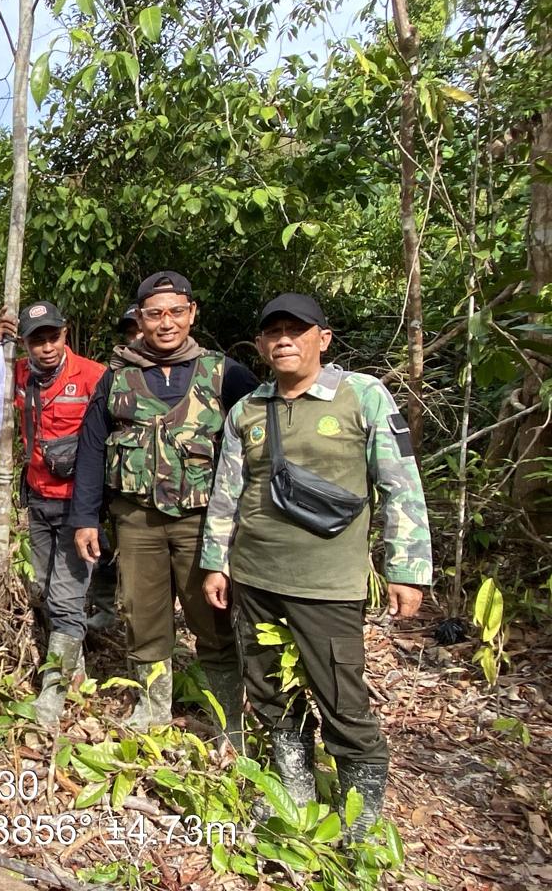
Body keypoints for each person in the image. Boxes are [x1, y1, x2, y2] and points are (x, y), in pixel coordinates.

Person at [200, 293, 432, 840]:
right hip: (254, 577)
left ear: (322, 339)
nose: (284, 340)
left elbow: (400, 485)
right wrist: (216, 563)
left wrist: (407, 568)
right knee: (269, 692)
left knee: (341, 697)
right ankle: (295, 793)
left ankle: (360, 816)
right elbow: (226, 495)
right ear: (260, 344)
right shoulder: (248, 410)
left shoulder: (362, 396)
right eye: (273, 331)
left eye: (296, 330)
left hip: (327, 584)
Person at [72, 271, 258, 740]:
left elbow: (259, 442)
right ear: (141, 318)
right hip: (135, 521)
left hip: (204, 523)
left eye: (176, 311)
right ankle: (153, 709)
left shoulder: (225, 373)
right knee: (143, 615)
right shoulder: (117, 378)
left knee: (213, 616)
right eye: (155, 314)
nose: (166, 322)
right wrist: (84, 518)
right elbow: (93, 447)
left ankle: (227, 717)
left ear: (192, 313)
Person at [0, 302, 106, 727]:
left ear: (66, 334)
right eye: (35, 339)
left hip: (80, 508)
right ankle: (75, 667)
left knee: (67, 595)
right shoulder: (18, 373)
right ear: (25, 342)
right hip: (38, 499)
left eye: (53, 337)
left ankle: (53, 693)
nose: (46, 347)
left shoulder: (94, 377)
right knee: (42, 587)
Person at [85, 303, 140, 632]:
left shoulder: (185, 373)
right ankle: (106, 610)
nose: (136, 337)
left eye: (139, 328)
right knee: (105, 550)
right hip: (112, 483)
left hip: (153, 494)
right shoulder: (111, 377)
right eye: (130, 332)